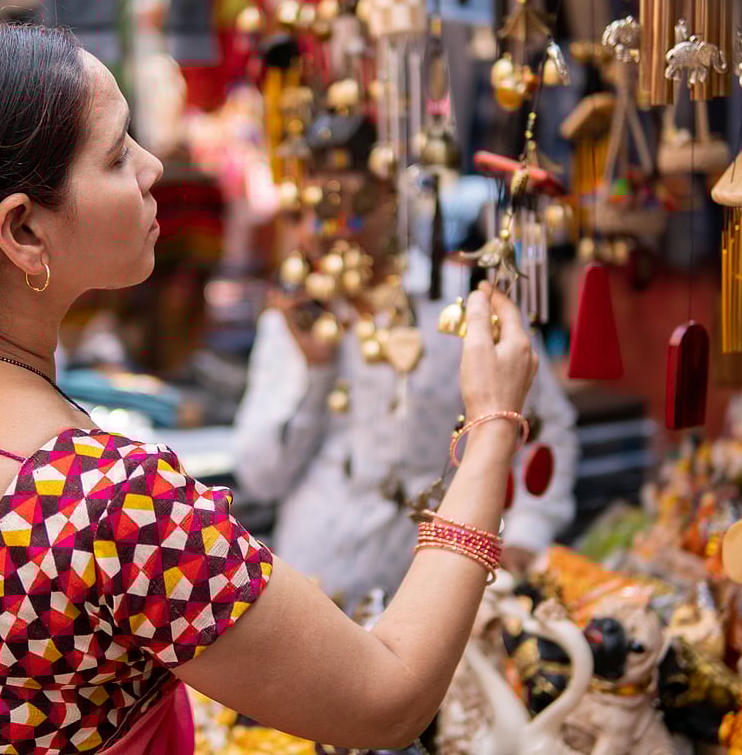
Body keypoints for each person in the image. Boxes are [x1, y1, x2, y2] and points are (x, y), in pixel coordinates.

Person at [0, 24, 537, 755]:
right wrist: (494, 426)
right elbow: (387, 698)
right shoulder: (103, 500)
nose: (153, 169)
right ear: (21, 231)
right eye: (119, 154)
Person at [233, 162, 578, 611]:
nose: (320, 231)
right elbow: (260, 478)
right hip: (316, 584)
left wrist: (527, 535)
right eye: (305, 212)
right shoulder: (295, 317)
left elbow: (543, 430)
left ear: (387, 199)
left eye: (342, 207)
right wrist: (315, 374)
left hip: (435, 586)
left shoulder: (464, 302)